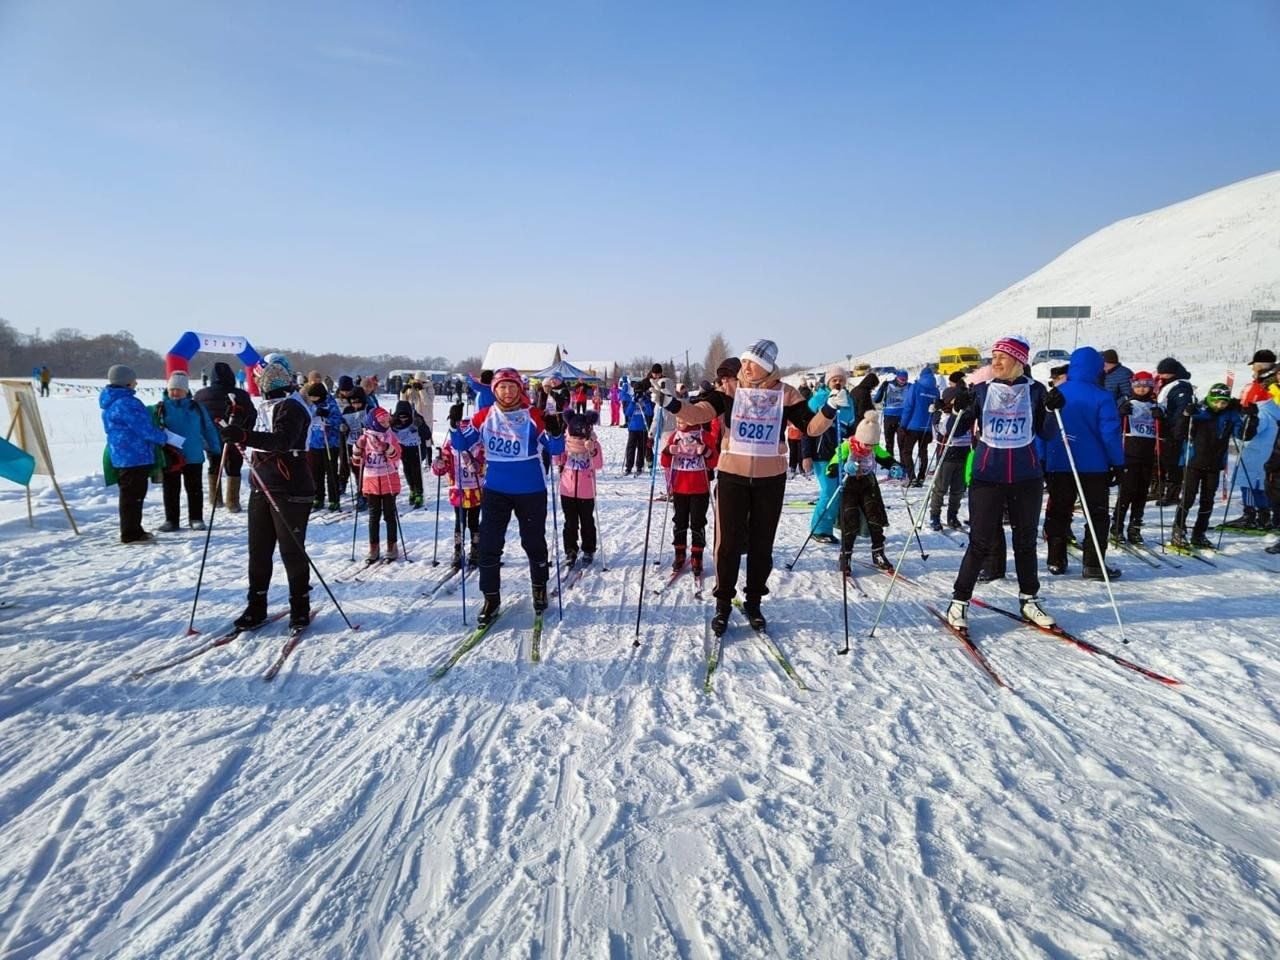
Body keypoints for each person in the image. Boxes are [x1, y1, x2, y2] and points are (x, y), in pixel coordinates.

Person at [651, 339, 835, 634]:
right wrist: (672, 403)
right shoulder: (729, 391)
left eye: (753, 363)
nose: (746, 367)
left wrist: (829, 410)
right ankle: (723, 603)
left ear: (767, 367)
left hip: (770, 478)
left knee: (762, 543)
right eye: (745, 362)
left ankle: (754, 602)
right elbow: (699, 413)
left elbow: (810, 427)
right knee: (728, 544)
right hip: (732, 475)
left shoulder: (785, 394)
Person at [945, 335, 1058, 632]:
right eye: (993, 356)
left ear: (1018, 361)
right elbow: (952, 427)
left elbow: (1048, 434)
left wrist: (1053, 409)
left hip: (1026, 477)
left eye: (1002, 357)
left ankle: (1029, 598)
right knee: (979, 542)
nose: (995, 362)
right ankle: (959, 601)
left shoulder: (1036, 391)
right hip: (987, 477)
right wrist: (960, 406)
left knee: (1025, 541)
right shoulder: (981, 390)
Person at [449, 368, 566, 624]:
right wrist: (453, 426)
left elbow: (556, 448)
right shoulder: (483, 417)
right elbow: (460, 444)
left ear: (520, 389)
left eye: (512, 386)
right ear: (495, 390)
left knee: (533, 543)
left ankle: (539, 588)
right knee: (490, 546)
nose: (507, 391)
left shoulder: (533, 415)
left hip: (531, 490)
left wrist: (556, 430)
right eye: (502, 387)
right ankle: (491, 598)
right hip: (496, 490)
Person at [217, 357, 316, 630]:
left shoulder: (292, 407)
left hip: (290, 488)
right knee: (258, 551)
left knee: (290, 551)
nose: (265, 391)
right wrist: (235, 419)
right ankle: (256, 606)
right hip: (261, 485)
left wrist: (244, 436)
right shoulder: (265, 406)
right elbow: (246, 430)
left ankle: (300, 607)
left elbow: (282, 441)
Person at [1042, 347, 1125, 581]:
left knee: (1059, 512)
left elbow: (1043, 431)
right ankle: (1093, 564)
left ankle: (1056, 560)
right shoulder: (1102, 396)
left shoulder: (1057, 394)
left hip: (1060, 463)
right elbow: (1110, 434)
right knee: (1096, 514)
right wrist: (1117, 462)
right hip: (1094, 466)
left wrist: (1043, 460)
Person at [1171, 384, 1247, 549]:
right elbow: (1178, 433)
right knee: (1189, 497)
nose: (1220, 406)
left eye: (1223, 403)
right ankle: (1178, 530)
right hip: (1193, 461)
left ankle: (1199, 533)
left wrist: (1251, 418)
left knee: (1208, 500)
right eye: (1217, 402)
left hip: (1215, 463)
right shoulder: (1199, 411)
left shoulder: (1230, 415)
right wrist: (1185, 415)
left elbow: (1243, 435)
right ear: (1210, 398)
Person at [101, 364, 167, 543]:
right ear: (127, 382)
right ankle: (131, 533)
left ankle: (133, 529)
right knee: (133, 496)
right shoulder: (127, 403)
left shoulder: (111, 402)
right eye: (133, 380)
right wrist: (162, 437)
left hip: (122, 455)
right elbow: (143, 428)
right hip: (134, 455)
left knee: (130, 495)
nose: (136, 383)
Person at [829, 411, 902, 571]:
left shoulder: (874, 447)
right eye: (866, 444)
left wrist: (896, 466)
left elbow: (887, 459)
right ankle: (845, 555)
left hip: (868, 485)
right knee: (851, 521)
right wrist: (841, 467)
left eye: (872, 445)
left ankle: (878, 553)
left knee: (875, 519)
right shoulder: (847, 445)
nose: (869, 448)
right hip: (849, 487)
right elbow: (831, 468)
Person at [156, 372, 222, 531]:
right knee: (171, 489)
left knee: (194, 489)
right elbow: (154, 429)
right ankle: (171, 520)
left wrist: (216, 448)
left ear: (186, 391)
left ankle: (196, 518)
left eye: (179, 389)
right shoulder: (162, 408)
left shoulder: (196, 407)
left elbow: (208, 428)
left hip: (193, 455)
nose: (175, 393)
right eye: (172, 389)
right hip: (171, 456)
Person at [659, 410, 719, 574]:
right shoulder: (675, 436)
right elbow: (664, 462)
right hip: (680, 487)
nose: (679, 422)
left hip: (700, 487)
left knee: (698, 523)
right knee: (680, 521)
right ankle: (679, 554)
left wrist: (705, 452)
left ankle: (697, 556)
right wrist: (668, 451)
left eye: (682, 419)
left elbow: (714, 461)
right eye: (677, 419)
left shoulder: (705, 436)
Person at [1110, 371, 1164, 544]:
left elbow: (1165, 430)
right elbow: (1113, 424)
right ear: (1133, 386)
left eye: (1146, 386)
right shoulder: (1128, 403)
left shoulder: (1156, 406)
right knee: (1127, 492)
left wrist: (1161, 418)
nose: (1142, 389)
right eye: (1138, 386)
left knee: (1142, 493)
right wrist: (1121, 413)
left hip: (1148, 454)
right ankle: (1116, 527)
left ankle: (1135, 527)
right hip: (1130, 453)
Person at [807, 366, 858, 543]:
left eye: (841, 379)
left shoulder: (849, 401)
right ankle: (818, 529)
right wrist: (805, 455)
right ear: (828, 381)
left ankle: (828, 528)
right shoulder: (818, 400)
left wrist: (854, 450)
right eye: (834, 379)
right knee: (829, 491)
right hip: (822, 452)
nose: (838, 382)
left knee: (838, 490)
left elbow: (852, 428)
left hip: (841, 453)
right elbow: (806, 429)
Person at [195, 361, 255, 513]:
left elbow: (196, 417)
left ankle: (215, 499)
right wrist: (245, 432)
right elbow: (251, 415)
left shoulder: (201, 395)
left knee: (214, 466)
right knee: (234, 467)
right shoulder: (241, 394)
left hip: (211, 439)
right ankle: (232, 502)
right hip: (236, 436)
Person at [1227, 350, 1279, 528]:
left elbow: (1252, 427)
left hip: (1258, 442)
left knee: (1250, 478)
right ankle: (1263, 514)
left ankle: (1252, 514)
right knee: (1260, 479)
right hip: (1267, 441)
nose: (1253, 371)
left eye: (1255, 367)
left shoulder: (1268, 389)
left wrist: (1240, 423)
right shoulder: (1262, 387)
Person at [432, 403, 485, 569]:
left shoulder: (479, 447)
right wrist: (439, 465)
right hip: (458, 490)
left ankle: (476, 548)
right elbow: (443, 468)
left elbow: (483, 466)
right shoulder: (451, 448)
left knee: (474, 521)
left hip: (476, 490)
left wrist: (475, 465)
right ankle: (458, 549)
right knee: (459, 521)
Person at [352, 406, 404, 561]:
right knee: (373, 517)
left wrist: (386, 448)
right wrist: (357, 447)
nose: (386, 423)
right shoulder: (365, 438)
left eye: (387, 420)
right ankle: (373, 548)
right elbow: (356, 462)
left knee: (389, 515)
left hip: (388, 479)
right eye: (382, 420)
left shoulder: (390, 436)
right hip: (371, 481)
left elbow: (397, 456)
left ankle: (392, 546)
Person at [556, 411, 605, 566]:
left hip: (586, 489)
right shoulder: (566, 442)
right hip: (567, 489)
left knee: (587, 521)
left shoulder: (593, 443)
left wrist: (592, 450)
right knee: (570, 522)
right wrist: (557, 448)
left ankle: (588, 549)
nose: (577, 437)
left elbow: (598, 464)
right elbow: (557, 460)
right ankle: (570, 551)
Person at [928, 383, 971, 531]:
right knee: (940, 488)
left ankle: (952, 515)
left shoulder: (965, 412)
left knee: (958, 489)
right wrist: (940, 412)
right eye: (954, 399)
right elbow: (943, 430)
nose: (957, 402)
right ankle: (934, 515)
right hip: (947, 455)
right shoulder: (942, 414)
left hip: (963, 454)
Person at [1153, 357, 1196, 505]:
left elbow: (1180, 410)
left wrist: (1177, 431)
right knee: (1164, 460)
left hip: (1173, 430)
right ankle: (1161, 490)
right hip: (1165, 427)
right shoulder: (1169, 385)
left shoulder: (1180, 387)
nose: (1161, 377)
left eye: (1164, 374)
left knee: (1172, 463)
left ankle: (1172, 494)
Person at [304, 381, 345, 511]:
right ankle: (318, 497)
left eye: (314, 397)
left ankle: (334, 499)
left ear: (320, 395)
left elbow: (338, 421)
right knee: (316, 473)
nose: (312, 400)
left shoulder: (330, 404)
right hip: (314, 443)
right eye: (311, 397)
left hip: (329, 443)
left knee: (331, 473)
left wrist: (327, 417)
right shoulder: (310, 405)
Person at [898, 365, 939, 486]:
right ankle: (921, 477)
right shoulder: (935, 390)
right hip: (927, 427)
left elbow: (908, 407)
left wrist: (903, 424)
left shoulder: (915, 387)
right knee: (923, 452)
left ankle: (912, 477)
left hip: (912, 426)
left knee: (906, 452)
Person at [391, 398, 432, 508]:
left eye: (406, 417)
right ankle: (412, 489)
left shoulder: (417, 418)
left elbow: (427, 435)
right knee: (407, 470)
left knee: (416, 470)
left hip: (417, 448)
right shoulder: (394, 421)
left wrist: (421, 426)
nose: (403, 420)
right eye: (401, 417)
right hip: (403, 449)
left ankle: (419, 492)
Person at [873, 369, 908, 462]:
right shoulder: (909, 386)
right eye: (902, 379)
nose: (903, 381)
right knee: (901, 444)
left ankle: (895, 466)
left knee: (890, 443)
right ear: (897, 377)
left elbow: (876, 400)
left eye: (904, 380)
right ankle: (896, 466)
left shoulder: (887, 384)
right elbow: (877, 399)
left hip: (891, 417)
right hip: (902, 417)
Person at [623, 389, 652, 475]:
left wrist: (646, 402)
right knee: (630, 448)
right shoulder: (632, 400)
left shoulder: (645, 400)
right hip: (633, 428)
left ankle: (639, 466)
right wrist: (633, 402)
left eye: (640, 393)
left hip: (643, 428)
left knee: (641, 448)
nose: (639, 395)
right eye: (637, 393)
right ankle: (628, 467)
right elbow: (627, 413)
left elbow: (649, 413)